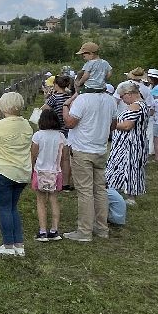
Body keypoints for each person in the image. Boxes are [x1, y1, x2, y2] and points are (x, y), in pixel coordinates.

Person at [62, 82, 117, 242]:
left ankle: (84, 231)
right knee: (100, 189)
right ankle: (101, 228)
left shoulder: (82, 99)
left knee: (85, 191)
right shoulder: (110, 100)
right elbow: (112, 125)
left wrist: (66, 107)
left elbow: (70, 123)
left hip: (82, 149)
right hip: (100, 149)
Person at [0, 91, 33, 258]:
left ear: (3, 106)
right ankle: (19, 245)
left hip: (2, 171)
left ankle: (8, 245)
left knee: (4, 208)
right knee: (12, 208)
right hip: (22, 172)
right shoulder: (26, 125)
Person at [105, 81, 149, 204]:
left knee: (128, 167)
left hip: (130, 144)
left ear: (129, 94)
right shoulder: (142, 105)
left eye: (122, 96)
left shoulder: (135, 106)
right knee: (131, 167)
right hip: (135, 142)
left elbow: (127, 125)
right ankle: (125, 192)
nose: (122, 100)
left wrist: (111, 125)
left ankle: (128, 195)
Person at [31, 105, 68, 242]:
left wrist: (30, 169)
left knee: (41, 201)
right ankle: (54, 230)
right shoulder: (61, 136)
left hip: (40, 171)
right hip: (55, 172)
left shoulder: (38, 136)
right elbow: (64, 157)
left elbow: (33, 155)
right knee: (54, 200)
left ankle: (42, 231)